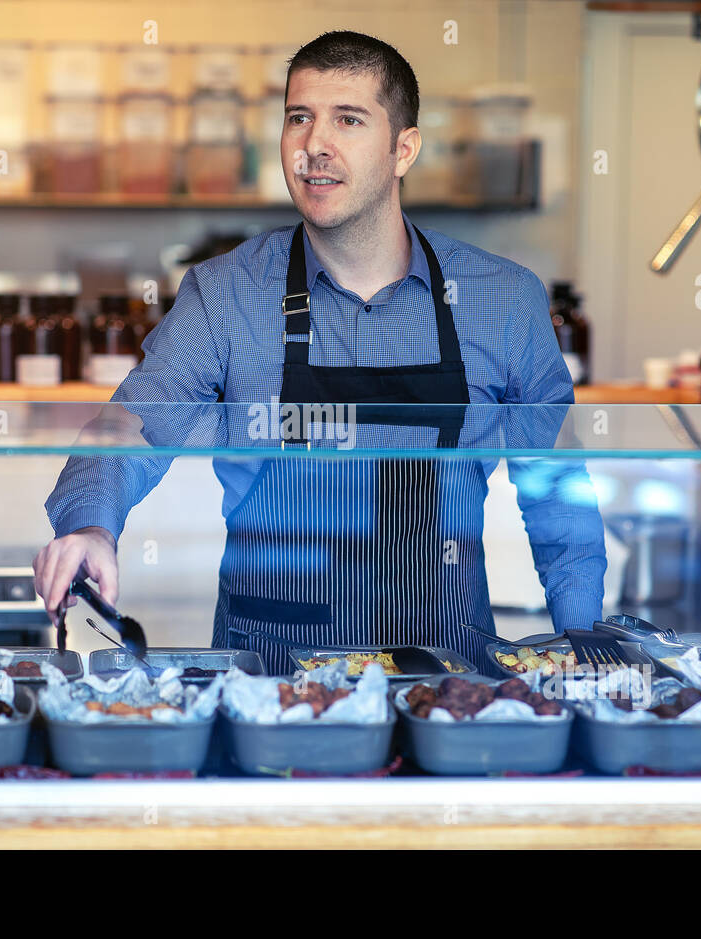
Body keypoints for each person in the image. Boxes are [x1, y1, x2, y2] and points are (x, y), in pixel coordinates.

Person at [34, 30, 607, 674]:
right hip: (269, 680)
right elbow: (134, 424)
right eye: (298, 118)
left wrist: (581, 641)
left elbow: (556, 489)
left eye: (349, 120)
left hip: (448, 679)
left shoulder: (503, 300)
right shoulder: (224, 293)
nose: (314, 146)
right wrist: (91, 525)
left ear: (404, 149)